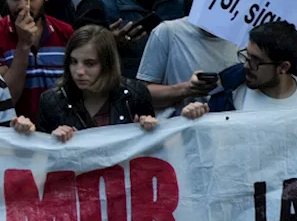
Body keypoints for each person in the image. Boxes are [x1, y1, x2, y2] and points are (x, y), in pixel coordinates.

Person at [12, 26, 205, 140]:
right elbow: (41, 160)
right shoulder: (51, 101)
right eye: (73, 61)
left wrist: (149, 130)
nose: (79, 71)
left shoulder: (135, 94)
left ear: (107, 64)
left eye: (90, 63)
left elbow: (153, 154)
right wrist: (39, 137)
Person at [0, 0, 74, 120]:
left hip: (60, 132)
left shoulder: (65, 32)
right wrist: (23, 45)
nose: (23, 6)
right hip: (14, 132)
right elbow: (6, 98)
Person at [209, 20, 297, 112]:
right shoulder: (229, 96)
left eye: (256, 60)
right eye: (247, 56)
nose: (246, 66)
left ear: (283, 67)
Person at [136, 14, 239, 116]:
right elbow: (141, 96)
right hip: (176, 127)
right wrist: (186, 89)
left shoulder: (242, 40)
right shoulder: (168, 32)